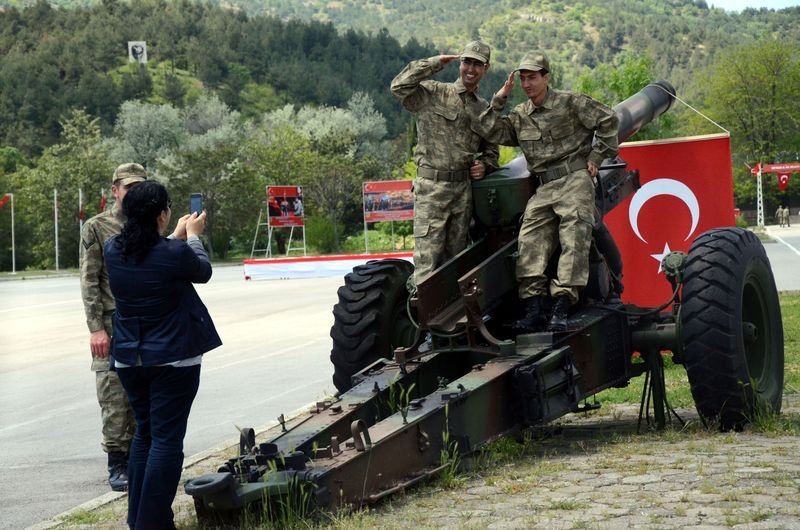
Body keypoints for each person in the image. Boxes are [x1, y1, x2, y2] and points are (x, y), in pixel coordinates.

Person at [473, 51, 620, 332]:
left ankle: (562, 305)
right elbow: (490, 130)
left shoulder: (570, 102)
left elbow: (608, 120)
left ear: (546, 77)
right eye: (523, 79)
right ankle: (534, 307)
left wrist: (598, 157)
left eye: (532, 78)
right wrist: (500, 98)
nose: (527, 84)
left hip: (574, 179)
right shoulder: (519, 115)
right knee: (529, 241)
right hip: (544, 187)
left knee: (574, 237)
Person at [104, 181, 222, 529]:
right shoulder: (174, 253)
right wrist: (194, 235)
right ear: (162, 214)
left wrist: (175, 234)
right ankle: (151, 524)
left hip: (129, 358)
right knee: (167, 441)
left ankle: (138, 519)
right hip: (173, 360)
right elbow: (202, 270)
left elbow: (155, 253)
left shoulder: (113, 249)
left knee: (145, 435)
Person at [391, 40, 500, 283]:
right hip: (432, 189)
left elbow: (492, 151)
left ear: (486, 68)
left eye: (477, 65)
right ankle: (423, 319)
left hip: (462, 193)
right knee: (426, 264)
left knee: (458, 263)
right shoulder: (433, 93)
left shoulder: (483, 109)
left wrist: (486, 165)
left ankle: (455, 319)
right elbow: (399, 87)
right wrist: (433, 63)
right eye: (467, 62)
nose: (471, 69)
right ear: (460, 63)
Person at [80, 163, 144, 492]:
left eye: (139, 187)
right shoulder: (97, 226)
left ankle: (137, 455)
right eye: (127, 188)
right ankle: (117, 461)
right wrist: (95, 328)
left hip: (143, 321)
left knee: (141, 393)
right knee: (114, 394)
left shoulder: (146, 224)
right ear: (115, 190)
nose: (132, 193)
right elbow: (89, 280)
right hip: (111, 321)